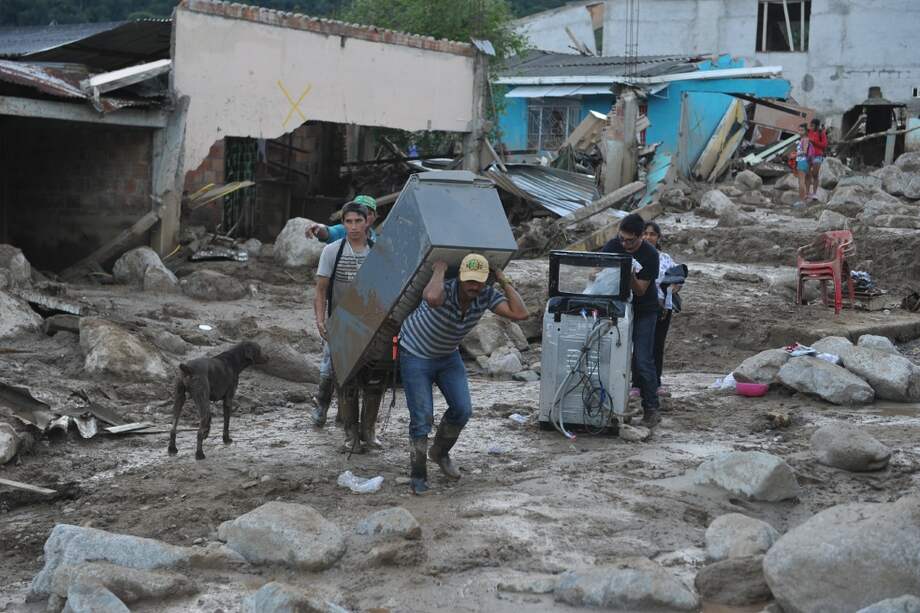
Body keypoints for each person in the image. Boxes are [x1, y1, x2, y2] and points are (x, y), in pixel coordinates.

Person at [399, 254, 529, 495]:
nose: (473, 286)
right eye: (468, 280)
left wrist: (503, 279)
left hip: (447, 355)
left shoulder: (486, 295)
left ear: (485, 281)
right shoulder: (445, 289)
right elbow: (431, 297)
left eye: (478, 281)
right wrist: (439, 270)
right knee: (422, 417)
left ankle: (439, 452)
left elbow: (520, 313)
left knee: (462, 409)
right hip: (415, 353)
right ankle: (418, 474)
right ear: (459, 277)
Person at [312, 202, 384, 452]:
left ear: (368, 222)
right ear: (343, 223)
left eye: (358, 221)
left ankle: (369, 431)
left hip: (374, 324)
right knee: (345, 381)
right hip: (341, 324)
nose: (353, 227)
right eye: (348, 222)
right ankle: (350, 435)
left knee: (376, 380)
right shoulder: (332, 251)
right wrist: (321, 320)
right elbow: (321, 290)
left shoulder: (379, 252)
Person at [600, 213, 661, 428]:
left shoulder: (650, 255)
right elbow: (596, 271)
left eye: (630, 241)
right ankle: (608, 405)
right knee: (608, 356)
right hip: (616, 307)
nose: (624, 244)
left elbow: (642, 290)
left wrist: (628, 272)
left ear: (641, 237)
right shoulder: (612, 245)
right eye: (622, 239)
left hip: (644, 309)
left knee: (643, 359)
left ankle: (651, 407)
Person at [643, 221, 682, 396]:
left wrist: (674, 287)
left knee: (657, 346)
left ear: (658, 237)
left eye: (652, 234)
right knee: (640, 346)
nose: (648, 237)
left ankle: (656, 382)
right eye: (644, 233)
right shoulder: (635, 256)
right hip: (641, 308)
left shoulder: (665, 259)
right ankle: (637, 384)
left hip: (663, 310)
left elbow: (678, 278)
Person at [306, 194, 378, 243]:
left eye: (368, 213)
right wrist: (319, 228)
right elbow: (329, 232)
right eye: (359, 213)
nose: (364, 217)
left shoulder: (377, 239)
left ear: (375, 217)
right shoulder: (343, 231)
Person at [806, 119, 828, 200]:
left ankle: (814, 193)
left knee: (815, 174)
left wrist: (814, 142)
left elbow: (824, 145)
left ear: (816, 126)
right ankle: (807, 193)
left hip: (818, 156)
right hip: (808, 155)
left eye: (812, 126)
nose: (811, 127)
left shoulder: (821, 133)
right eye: (810, 125)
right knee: (807, 174)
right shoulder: (809, 132)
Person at [794, 124, 813, 208]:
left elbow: (805, 151)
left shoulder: (805, 139)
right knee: (803, 182)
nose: (800, 132)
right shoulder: (803, 139)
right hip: (803, 162)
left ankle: (802, 201)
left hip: (802, 161)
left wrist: (795, 154)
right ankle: (803, 200)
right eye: (799, 130)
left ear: (806, 131)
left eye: (802, 130)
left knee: (801, 182)